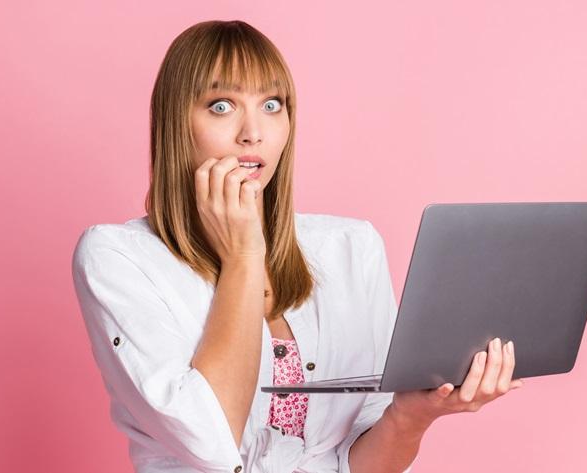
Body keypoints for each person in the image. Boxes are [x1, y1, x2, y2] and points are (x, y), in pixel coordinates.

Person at [71, 20, 524, 473]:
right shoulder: (119, 258)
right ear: (176, 123)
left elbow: (360, 462)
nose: (253, 132)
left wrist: (412, 415)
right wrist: (243, 255)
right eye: (221, 105)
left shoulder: (351, 247)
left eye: (272, 105)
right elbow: (211, 442)